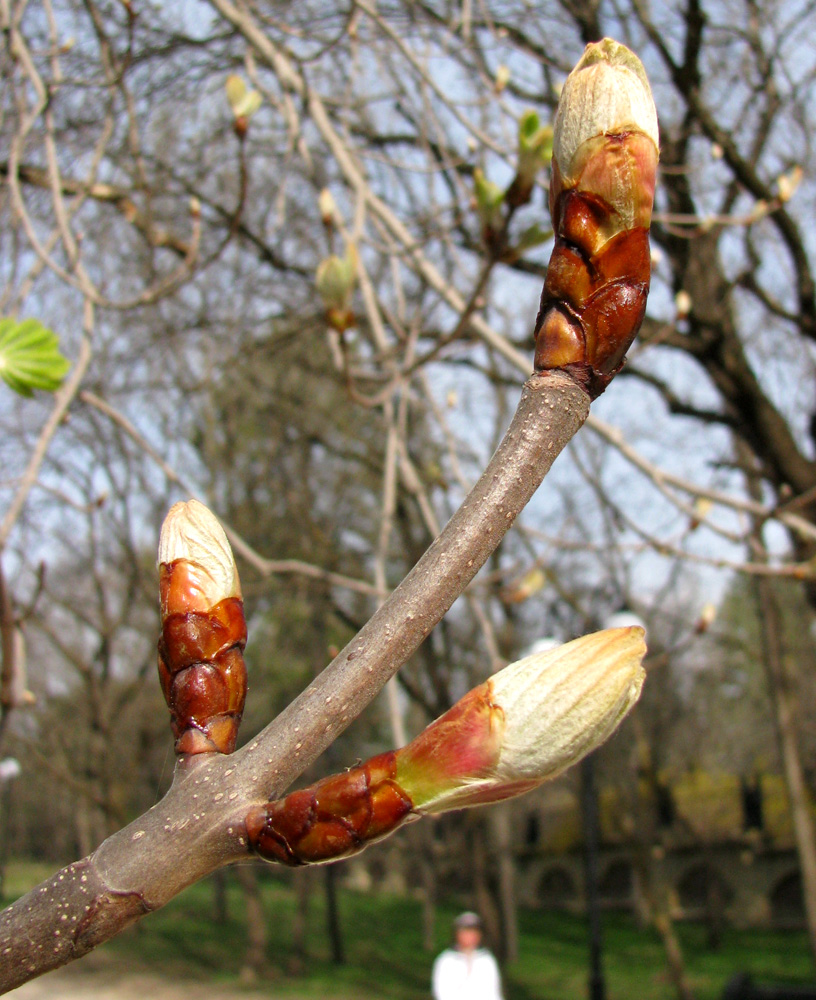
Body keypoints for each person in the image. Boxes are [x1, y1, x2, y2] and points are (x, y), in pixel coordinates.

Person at [431, 911, 504, 1000]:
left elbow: (493, 992)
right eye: (466, 932)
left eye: (474, 932)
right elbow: (442, 992)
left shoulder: (487, 960)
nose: (471, 936)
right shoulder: (446, 960)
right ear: (457, 934)